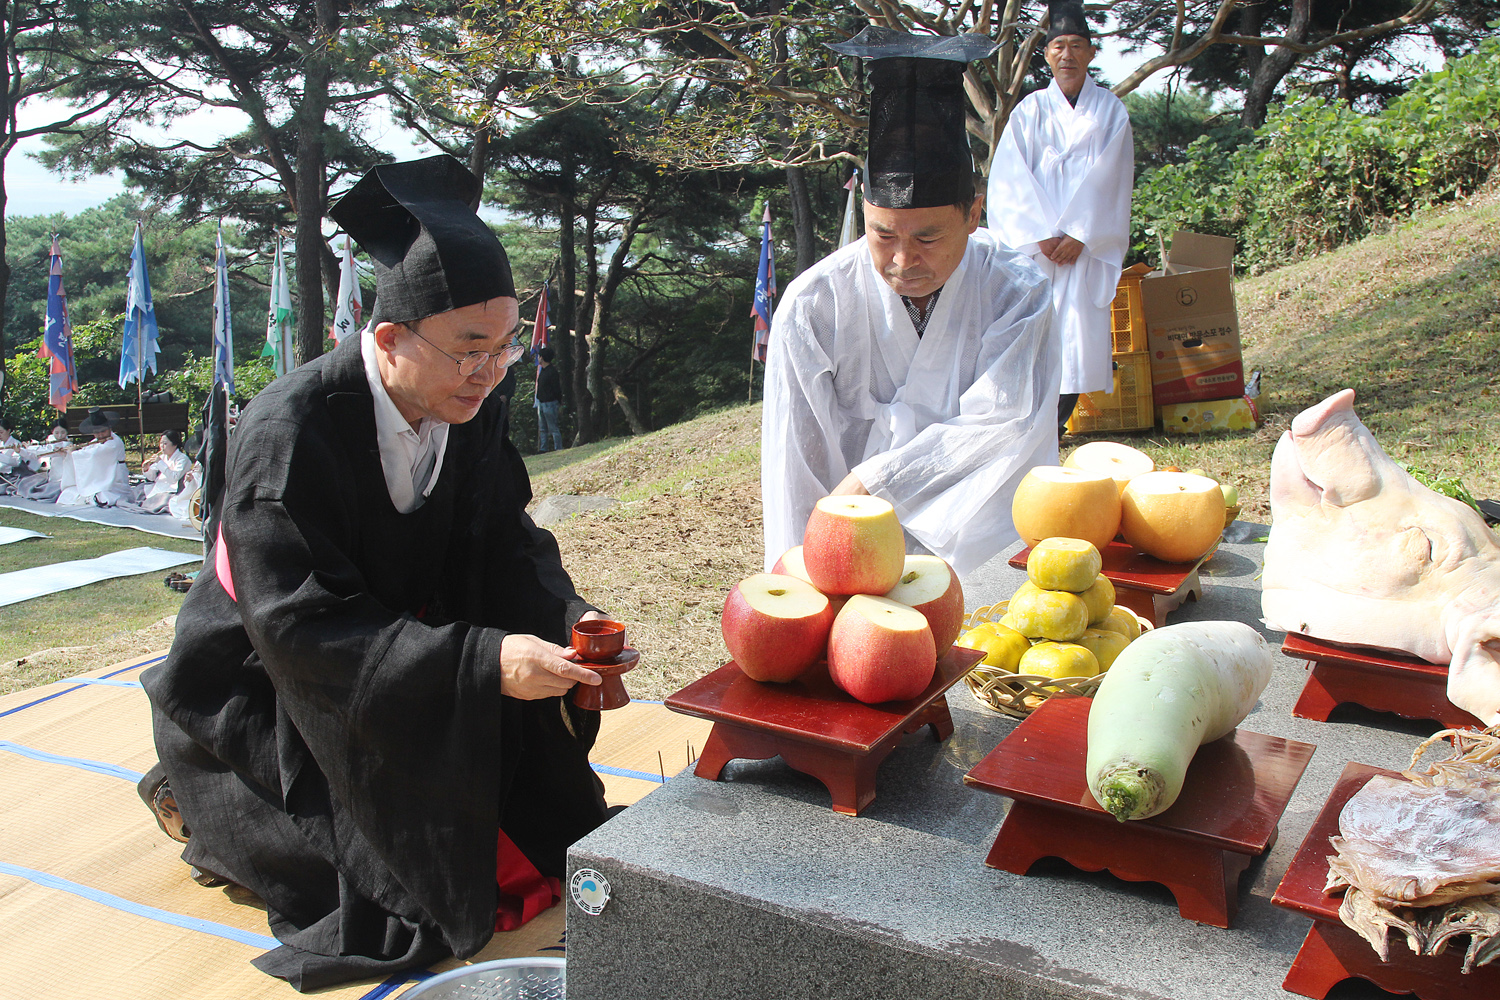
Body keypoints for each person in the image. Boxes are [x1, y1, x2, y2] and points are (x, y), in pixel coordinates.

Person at [137, 154, 614, 990]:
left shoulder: (473, 406)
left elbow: (505, 541)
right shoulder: (290, 431)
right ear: (388, 340)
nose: (490, 371)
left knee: (554, 823)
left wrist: (565, 618)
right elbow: (297, 624)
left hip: (411, 655)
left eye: (503, 347)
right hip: (275, 684)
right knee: (401, 897)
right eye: (469, 350)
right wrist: (482, 662)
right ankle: (193, 790)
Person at [761, 27, 1060, 577]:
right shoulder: (813, 307)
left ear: (973, 214)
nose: (902, 260)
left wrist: (876, 481)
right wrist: (801, 575)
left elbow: (1005, 421)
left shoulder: (1018, 292)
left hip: (981, 547)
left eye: (926, 238)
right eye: (882, 236)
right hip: (853, 550)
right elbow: (793, 463)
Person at [987, 1, 1134, 436]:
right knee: (1031, 337)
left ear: (1090, 53)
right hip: (1038, 251)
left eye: (1075, 46)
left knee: (1075, 342)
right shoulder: (1029, 112)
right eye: (1058, 46)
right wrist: (1039, 236)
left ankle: (1051, 429)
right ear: (1047, 55)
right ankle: (1023, 429)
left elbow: (1113, 178)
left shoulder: (1110, 112)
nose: (1066, 55)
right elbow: (1010, 178)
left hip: (1083, 250)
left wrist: (1081, 234)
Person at [56, 408, 130, 506]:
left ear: (109, 428)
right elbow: (86, 451)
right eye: (97, 432)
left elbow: (94, 454)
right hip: (101, 476)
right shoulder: (97, 440)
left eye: (103, 431)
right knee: (70, 492)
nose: (100, 435)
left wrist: (73, 453)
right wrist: (69, 453)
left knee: (103, 496)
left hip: (116, 479)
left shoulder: (114, 442)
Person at [119, 430, 190, 513]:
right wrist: (147, 469)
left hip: (173, 490)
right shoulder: (163, 457)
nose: (162, 447)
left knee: (164, 500)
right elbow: (151, 477)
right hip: (159, 487)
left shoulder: (183, 459)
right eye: (161, 443)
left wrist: (160, 463)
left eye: (165, 444)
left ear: (174, 445)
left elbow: (174, 478)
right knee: (138, 490)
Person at [534, 346, 563, 452]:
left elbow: (556, 389)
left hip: (550, 403)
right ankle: (543, 448)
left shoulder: (552, 371)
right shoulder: (543, 371)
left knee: (553, 428)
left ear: (542, 358)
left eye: (539, 356)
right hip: (541, 402)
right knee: (542, 428)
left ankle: (558, 448)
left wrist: (558, 402)